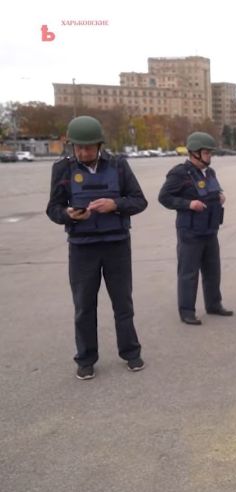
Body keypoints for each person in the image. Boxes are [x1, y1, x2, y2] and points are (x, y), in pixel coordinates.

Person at [45, 115, 148, 380]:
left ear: (99, 145)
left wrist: (116, 205)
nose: (82, 152)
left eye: (88, 147)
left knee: (123, 304)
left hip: (117, 246)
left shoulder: (119, 166)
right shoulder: (63, 169)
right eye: (78, 147)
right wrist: (68, 214)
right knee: (84, 306)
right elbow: (53, 209)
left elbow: (139, 201)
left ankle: (131, 352)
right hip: (82, 248)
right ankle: (86, 359)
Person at [158, 131, 233, 325]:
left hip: (210, 230)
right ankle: (187, 311)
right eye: (207, 153)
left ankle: (214, 304)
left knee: (212, 270)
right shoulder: (179, 173)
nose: (210, 156)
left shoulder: (209, 172)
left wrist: (220, 195)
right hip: (190, 232)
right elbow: (164, 198)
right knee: (188, 273)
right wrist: (188, 204)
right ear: (194, 153)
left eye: (210, 153)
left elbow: (213, 190)